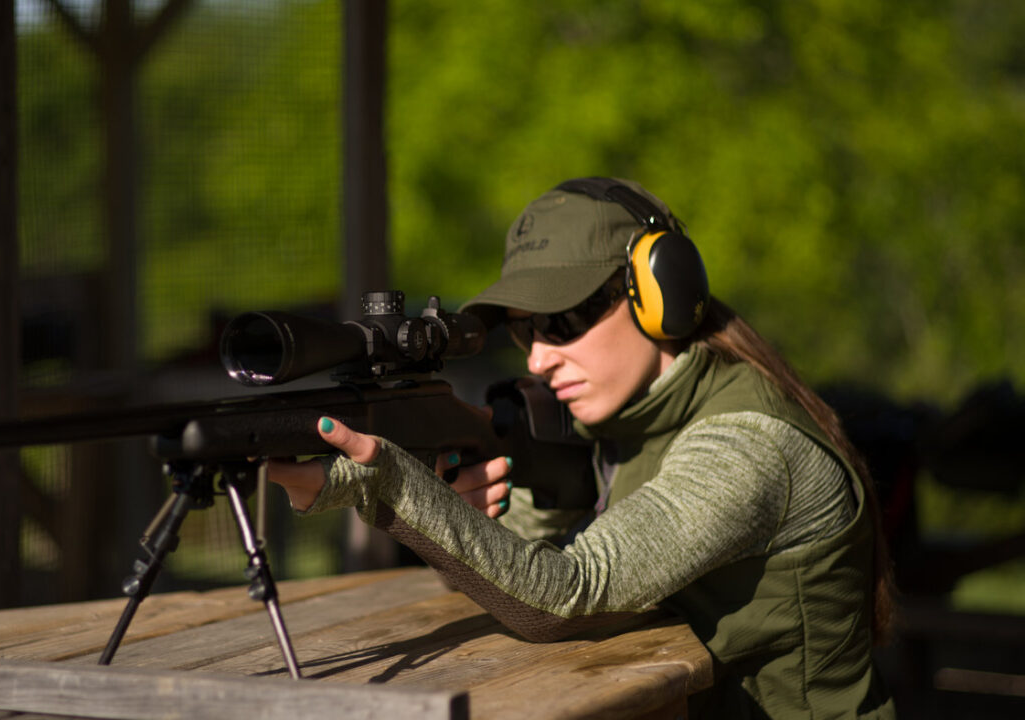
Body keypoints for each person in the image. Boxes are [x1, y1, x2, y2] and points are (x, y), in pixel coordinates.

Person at [266, 177, 896, 719]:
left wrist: (385, 481)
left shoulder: (748, 444)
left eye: (563, 321)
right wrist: (489, 510)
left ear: (661, 292)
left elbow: (566, 596)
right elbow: (503, 576)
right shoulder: (623, 422)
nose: (539, 355)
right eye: (523, 329)